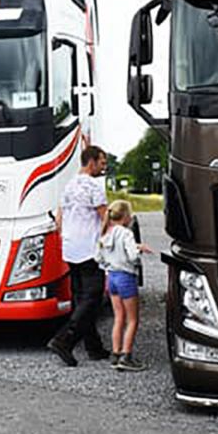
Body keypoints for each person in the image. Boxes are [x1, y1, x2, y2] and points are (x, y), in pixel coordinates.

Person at [45, 145, 111, 367]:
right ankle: (64, 340)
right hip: (89, 248)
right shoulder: (94, 186)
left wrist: (66, 235)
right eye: (102, 163)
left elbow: (59, 219)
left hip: (70, 247)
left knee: (80, 298)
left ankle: (94, 347)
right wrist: (106, 241)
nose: (104, 167)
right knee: (93, 297)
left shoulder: (68, 185)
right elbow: (104, 218)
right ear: (91, 162)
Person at [97, 200, 155, 371]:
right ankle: (126, 356)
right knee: (132, 320)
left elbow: (98, 258)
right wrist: (137, 252)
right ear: (125, 217)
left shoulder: (105, 232)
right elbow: (132, 257)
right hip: (126, 278)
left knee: (119, 317)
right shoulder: (127, 233)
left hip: (112, 277)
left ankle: (115, 355)